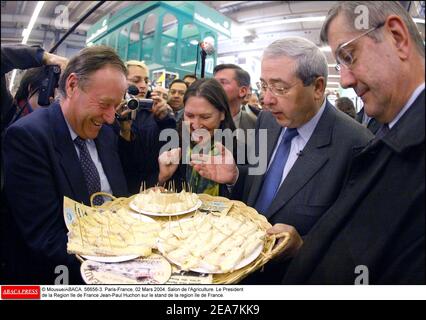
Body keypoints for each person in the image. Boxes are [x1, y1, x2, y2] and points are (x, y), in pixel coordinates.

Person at [190, 37, 373, 283]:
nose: (266, 99)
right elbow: (262, 189)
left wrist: (302, 246)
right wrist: (235, 176)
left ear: (317, 87)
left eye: (280, 88)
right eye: (264, 85)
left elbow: (360, 240)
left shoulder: (356, 144)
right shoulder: (267, 120)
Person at [280, 1, 425, 284]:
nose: (344, 80)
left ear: (397, 37)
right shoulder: (392, 132)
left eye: (349, 56)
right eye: (339, 63)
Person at [2, 45, 129, 284]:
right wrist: (124, 264)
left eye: (116, 105)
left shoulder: (106, 130)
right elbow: (47, 239)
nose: (112, 116)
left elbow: (119, 199)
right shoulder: (29, 137)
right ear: (72, 86)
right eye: (104, 104)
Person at [158, 78, 238, 197]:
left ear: (222, 114)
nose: (196, 125)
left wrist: (233, 180)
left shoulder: (239, 149)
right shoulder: (172, 144)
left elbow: (247, 201)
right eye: (189, 115)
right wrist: (163, 177)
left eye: (205, 117)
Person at [121, 60, 176, 193]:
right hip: (124, 189)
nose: (143, 85)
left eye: (146, 81)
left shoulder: (153, 111)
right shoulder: (111, 113)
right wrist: (124, 131)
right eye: (136, 80)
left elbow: (169, 148)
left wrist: (165, 120)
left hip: (154, 185)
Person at [1, 44, 67, 134]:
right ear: (31, 88)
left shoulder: (55, 128)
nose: (54, 103)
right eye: (50, 94)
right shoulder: (7, 112)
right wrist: (45, 57)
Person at [213, 64, 257, 140]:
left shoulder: (255, 124)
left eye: (222, 82)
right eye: (214, 82)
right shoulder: (191, 119)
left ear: (242, 91)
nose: (214, 86)